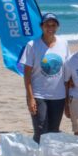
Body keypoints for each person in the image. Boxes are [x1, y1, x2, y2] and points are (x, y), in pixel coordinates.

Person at [21, 13, 70, 143]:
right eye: (47, 25)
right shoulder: (32, 45)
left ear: (57, 27)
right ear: (41, 26)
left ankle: (49, 155)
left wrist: (67, 98)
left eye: (53, 25)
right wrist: (30, 98)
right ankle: (37, 154)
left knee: (54, 131)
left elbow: (67, 69)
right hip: (39, 95)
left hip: (58, 96)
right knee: (41, 130)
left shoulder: (63, 43)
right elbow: (27, 74)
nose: (50, 28)